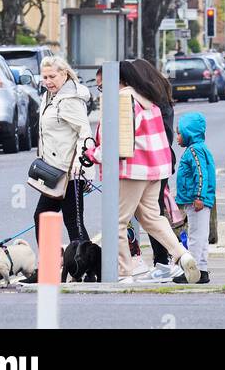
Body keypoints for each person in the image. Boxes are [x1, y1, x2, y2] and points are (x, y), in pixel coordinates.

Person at [87, 61, 200, 284]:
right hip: (157, 169)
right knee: (152, 217)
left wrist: (92, 154)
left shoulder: (121, 101)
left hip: (132, 170)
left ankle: (123, 272)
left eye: (102, 87)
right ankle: (182, 254)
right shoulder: (149, 101)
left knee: (116, 222)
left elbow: (116, 141)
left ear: (119, 81)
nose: (102, 91)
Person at [122, 59, 179, 282]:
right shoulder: (160, 95)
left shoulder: (145, 102)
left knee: (146, 214)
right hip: (163, 160)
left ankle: (159, 261)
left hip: (146, 163)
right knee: (153, 213)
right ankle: (170, 259)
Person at [34, 56, 92, 247]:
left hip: (70, 172)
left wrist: (79, 166)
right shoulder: (49, 97)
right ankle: (55, 263)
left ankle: (87, 269)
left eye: (52, 76)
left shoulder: (69, 100)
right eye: (45, 77)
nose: (48, 82)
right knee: (44, 217)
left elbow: (85, 133)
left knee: (73, 223)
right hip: (54, 171)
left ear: (64, 74)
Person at [172, 112, 216, 285]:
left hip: (196, 201)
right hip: (198, 200)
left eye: (180, 133)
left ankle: (193, 272)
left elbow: (200, 174)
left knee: (195, 237)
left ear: (189, 133)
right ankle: (202, 271)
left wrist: (199, 197)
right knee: (201, 236)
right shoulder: (198, 148)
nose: (177, 137)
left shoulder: (194, 150)